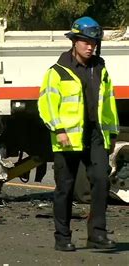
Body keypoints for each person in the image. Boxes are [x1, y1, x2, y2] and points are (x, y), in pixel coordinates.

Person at [38, 16, 119, 251]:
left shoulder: (100, 69)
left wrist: (112, 133)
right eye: (85, 41)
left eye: (93, 42)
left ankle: (97, 235)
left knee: (101, 181)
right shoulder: (58, 71)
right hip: (68, 136)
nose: (90, 46)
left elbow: (109, 104)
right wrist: (59, 129)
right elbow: (46, 104)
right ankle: (62, 238)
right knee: (65, 187)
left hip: (95, 134)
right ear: (74, 41)